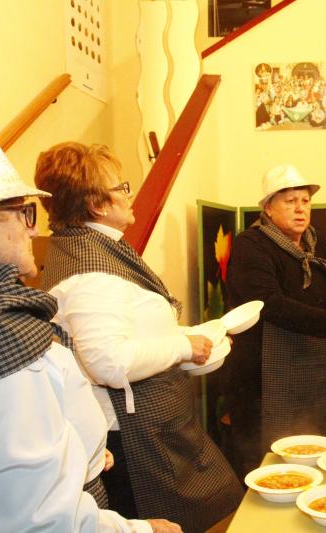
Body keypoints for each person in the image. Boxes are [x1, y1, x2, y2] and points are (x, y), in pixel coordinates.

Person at [0, 128, 179, 532]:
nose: (33, 229)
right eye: (22, 213)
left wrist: (82, 452)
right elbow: (38, 520)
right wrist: (141, 530)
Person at [34, 142, 242, 532]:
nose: (129, 195)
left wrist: (183, 336)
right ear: (97, 204)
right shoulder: (88, 272)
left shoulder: (96, 249)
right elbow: (107, 362)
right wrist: (184, 345)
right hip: (134, 438)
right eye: (121, 186)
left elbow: (131, 327)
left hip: (155, 419)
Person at [222, 164, 326, 478]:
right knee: (273, 458)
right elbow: (270, 305)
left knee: (312, 448)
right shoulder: (252, 245)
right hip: (266, 373)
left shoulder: (313, 242)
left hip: (310, 363)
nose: (301, 209)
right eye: (290, 201)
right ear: (268, 208)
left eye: (305, 200)